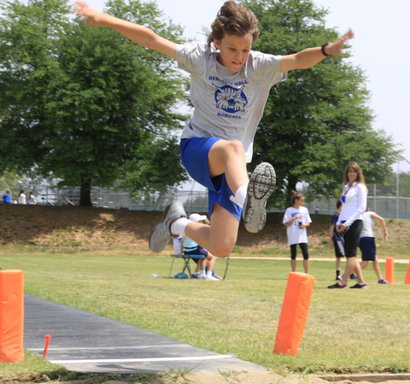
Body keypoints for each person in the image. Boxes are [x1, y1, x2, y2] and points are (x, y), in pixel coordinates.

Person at [74, 1, 354, 261]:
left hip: (233, 171)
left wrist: (326, 50)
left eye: (245, 50)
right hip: (198, 148)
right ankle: (249, 200)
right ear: (217, 41)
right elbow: (151, 39)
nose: (239, 57)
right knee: (232, 147)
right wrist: (103, 19)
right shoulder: (200, 58)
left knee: (221, 247)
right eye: (232, 49)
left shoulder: (259, 66)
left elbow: (297, 59)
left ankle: (177, 223)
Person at [328, 162, 368, 289]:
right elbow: (343, 207)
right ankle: (361, 282)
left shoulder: (360, 187)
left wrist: (347, 223)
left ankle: (343, 281)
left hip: (355, 222)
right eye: (349, 171)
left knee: (351, 254)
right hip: (345, 222)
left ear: (358, 173)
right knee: (350, 254)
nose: (351, 174)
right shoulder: (346, 187)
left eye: (354, 171)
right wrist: (339, 222)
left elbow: (362, 208)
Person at [183, 213, 221, 280]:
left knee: (203, 257)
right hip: (194, 250)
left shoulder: (186, 228)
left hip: (187, 251)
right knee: (212, 257)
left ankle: (202, 274)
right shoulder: (196, 229)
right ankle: (209, 275)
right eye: (199, 220)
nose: (201, 222)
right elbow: (201, 242)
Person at [282, 191, 312, 274]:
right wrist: (294, 218)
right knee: (293, 254)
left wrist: (304, 225)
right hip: (293, 235)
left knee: (306, 254)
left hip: (302, 236)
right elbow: (286, 224)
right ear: (296, 200)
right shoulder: (289, 210)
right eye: (301, 200)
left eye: (303, 201)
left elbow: (308, 222)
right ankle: (293, 272)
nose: (302, 202)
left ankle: (307, 273)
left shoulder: (304, 210)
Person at [359, 209, 389, 284]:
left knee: (368, 262)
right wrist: (385, 231)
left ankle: (347, 274)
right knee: (370, 261)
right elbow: (381, 219)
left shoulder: (358, 215)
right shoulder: (369, 213)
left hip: (361, 239)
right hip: (368, 238)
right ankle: (380, 279)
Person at [328, 199, 345, 280]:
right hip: (337, 238)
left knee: (346, 255)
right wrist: (330, 239)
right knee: (339, 256)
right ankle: (338, 275)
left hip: (343, 237)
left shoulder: (343, 215)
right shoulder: (336, 215)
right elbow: (332, 227)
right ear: (341, 205)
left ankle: (350, 273)